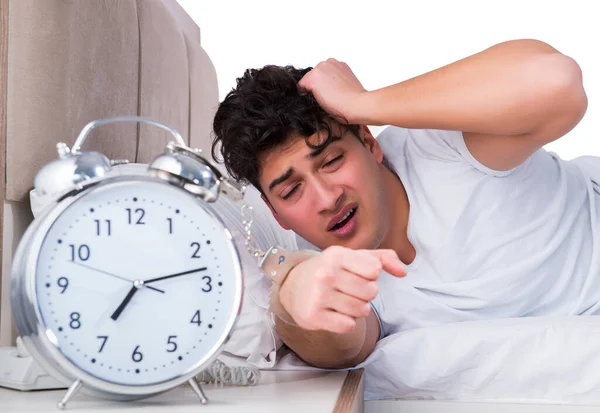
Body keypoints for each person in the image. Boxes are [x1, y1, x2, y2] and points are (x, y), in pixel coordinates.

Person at [211, 38, 592, 370]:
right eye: (292, 191)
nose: (327, 199)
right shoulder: (335, 272)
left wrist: (363, 102)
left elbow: (558, 82)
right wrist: (292, 293)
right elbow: (341, 346)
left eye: (331, 161)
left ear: (369, 142)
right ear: (276, 213)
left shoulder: (440, 146)